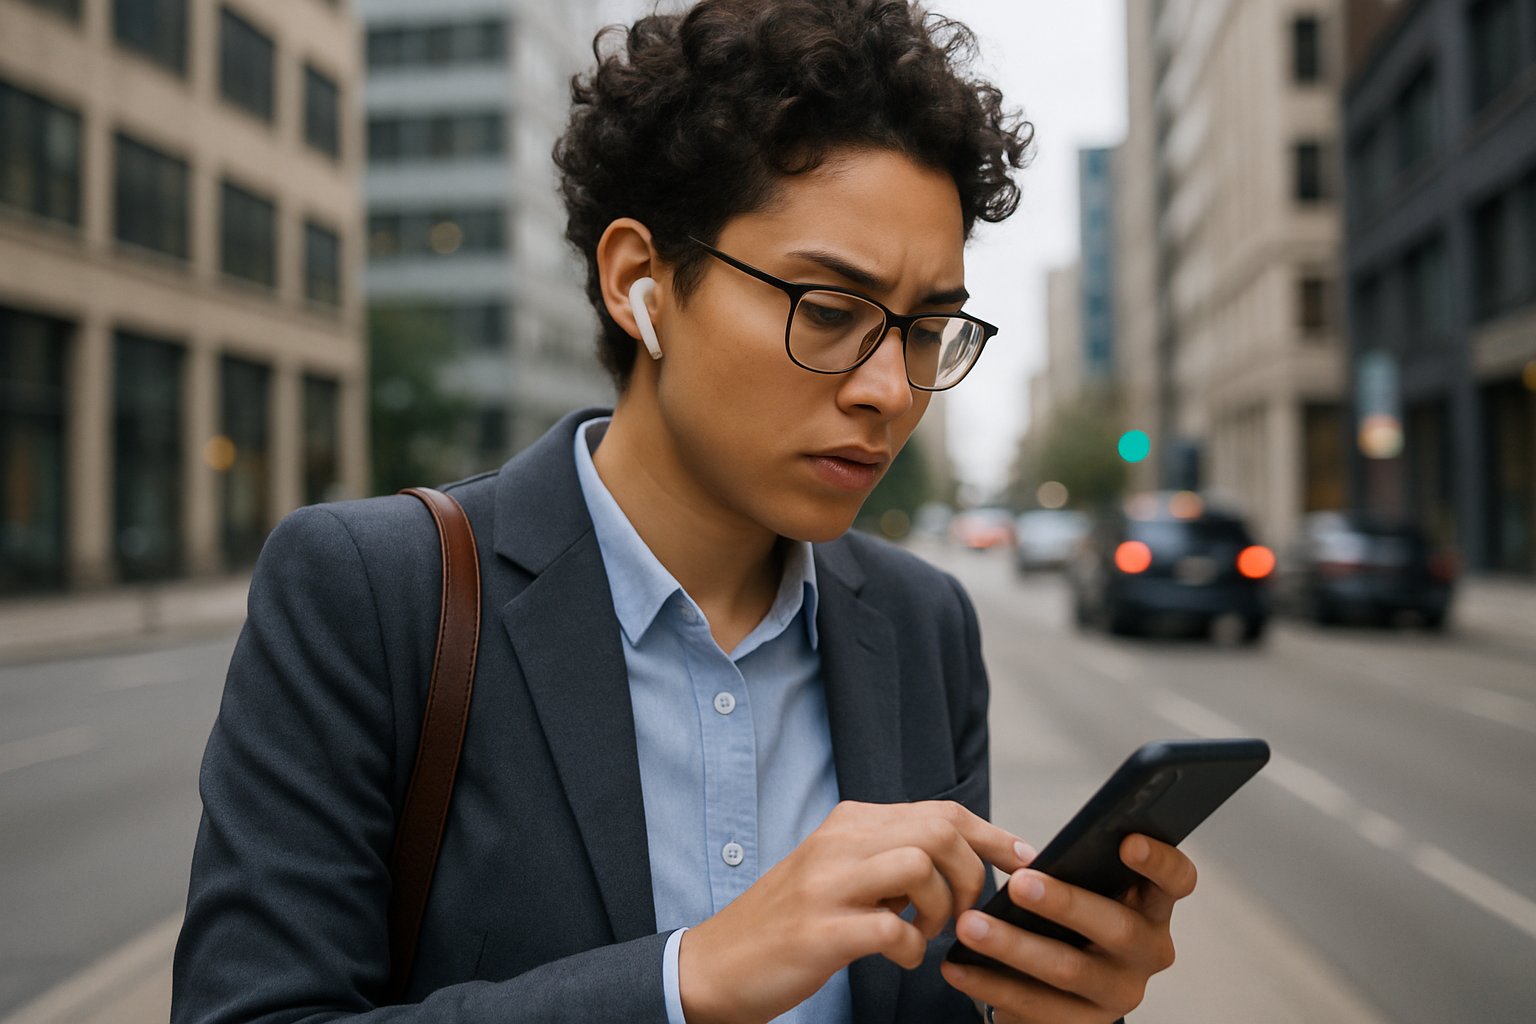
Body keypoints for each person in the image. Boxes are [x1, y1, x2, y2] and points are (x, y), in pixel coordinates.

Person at [171, 2, 1195, 1022]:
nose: (891, 387)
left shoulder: (922, 625)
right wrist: (681, 980)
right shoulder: (372, 590)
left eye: (927, 329)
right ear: (639, 282)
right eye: (830, 311)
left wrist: (1030, 1006)